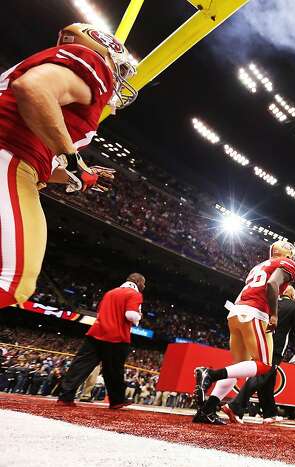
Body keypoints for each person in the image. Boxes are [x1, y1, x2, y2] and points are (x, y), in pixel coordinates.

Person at [0, 23, 136, 308]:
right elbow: (33, 87)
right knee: (14, 281)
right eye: (121, 70)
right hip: (7, 156)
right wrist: (73, 159)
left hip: (16, 159)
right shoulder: (92, 62)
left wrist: (78, 174)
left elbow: (40, 160)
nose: (121, 80)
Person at [193, 240, 295, 424]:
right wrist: (273, 315)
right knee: (265, 365)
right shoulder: (287, 264)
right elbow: (273, 284)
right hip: (254, 313)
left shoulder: (259, 266)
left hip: (237, 311)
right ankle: (210, 374)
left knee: (235, 370)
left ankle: (206, 411)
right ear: (287, 252)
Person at [57, 273, 145, 408]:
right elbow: (130, 315)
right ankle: (117, 400)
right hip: (117, 337)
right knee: (113, 370)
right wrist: (139, 316)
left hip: (96, 333)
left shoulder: (110, 293)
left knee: (80, 365)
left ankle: (65, 396)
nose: (143, 286)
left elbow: (100, 311)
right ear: (138, 282)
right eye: (143, 283)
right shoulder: (134, 294)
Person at [226, 284, 295, 423]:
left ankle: (270, 414)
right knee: (261, 376)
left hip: (259, 340)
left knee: (268, 380)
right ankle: (235, 406)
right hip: (275, 347)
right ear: (293, 296)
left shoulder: (270, 302)